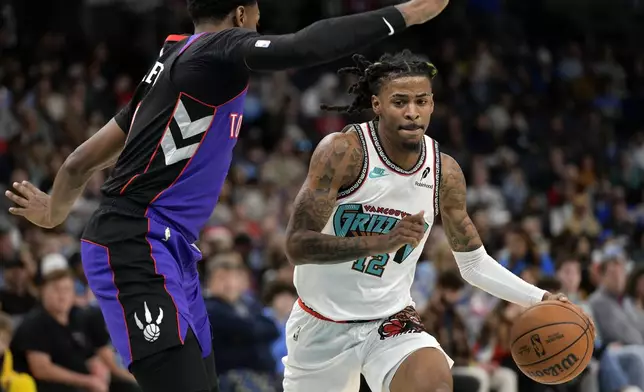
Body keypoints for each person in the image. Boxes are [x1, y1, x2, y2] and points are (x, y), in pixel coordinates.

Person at [4, 0, 451, 391]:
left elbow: (82, 160)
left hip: (169, 248)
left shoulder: (174, 56)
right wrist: (408, 13)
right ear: (241, 15)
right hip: (134, 242)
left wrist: (54, 210)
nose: (259, 23)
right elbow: (303, 46)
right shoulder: (218, 50)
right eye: (257, 14)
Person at [283, 50, 578, 392]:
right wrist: (379, 242)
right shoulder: (344, 152)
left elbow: (474, 264)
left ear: (432, 104)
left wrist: (539, 298)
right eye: (399, 102)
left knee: (435, 384)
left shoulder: (444, 171)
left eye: (421, 101)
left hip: (390, 322)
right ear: (377, 104)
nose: (412, 112)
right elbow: (296, 245)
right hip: (321, 325)